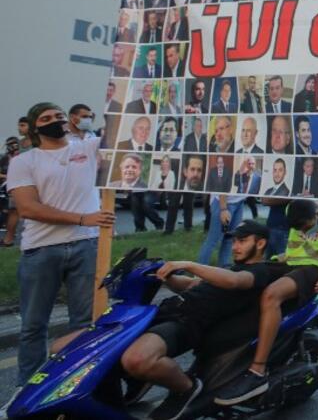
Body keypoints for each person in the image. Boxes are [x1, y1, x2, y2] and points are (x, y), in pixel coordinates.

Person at [119, 221, 285, 419]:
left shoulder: (259, 271)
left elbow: (234, 281)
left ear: (260, 244)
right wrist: (165, 276)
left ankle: (186, 389)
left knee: (137, 359)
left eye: (242, 241)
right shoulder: (229, 268)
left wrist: (189, 264)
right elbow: (190, 284)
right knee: (105, 342)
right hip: (164, 311)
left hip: (188, 321)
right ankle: (136, 380)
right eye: (234, 241)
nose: (235, 247)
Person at [7, 102, 115, 384]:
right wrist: (82, 218)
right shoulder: (23, 162)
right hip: (40, 251)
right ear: (35, 128)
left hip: (87, 246)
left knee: (85, 324)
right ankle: (27, 389)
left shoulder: (88, 147)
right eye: (46, 118)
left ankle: (76, 384)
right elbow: (28, 208)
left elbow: (121, 132)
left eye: (59, 115)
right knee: (33, 326)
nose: (55, 120)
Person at [215, 199, 318, 407]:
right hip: (289, 262)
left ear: (317, 214)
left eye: (306, 227)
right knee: (242, 278)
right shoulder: (294, 207)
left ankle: (257, 370)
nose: (303, 232)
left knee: (271, 295)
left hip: (316, 269)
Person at [260, 159, 291, 257]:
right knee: (267, 261)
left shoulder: (287, 190)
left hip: (284, 229)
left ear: (285, 172)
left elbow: (266, 200)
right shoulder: (270, 189)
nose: (277, 174)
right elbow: (263, 200)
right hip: (270, 226)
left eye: (280, 170)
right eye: (275, 170)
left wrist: (268, 200)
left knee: (280, 262)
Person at [165, 155, 202, 234]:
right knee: (173, 205)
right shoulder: (174, 151)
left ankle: (188, 227)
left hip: (190, 179)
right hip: (177, 181)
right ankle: (169, 229)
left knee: (188, 205)